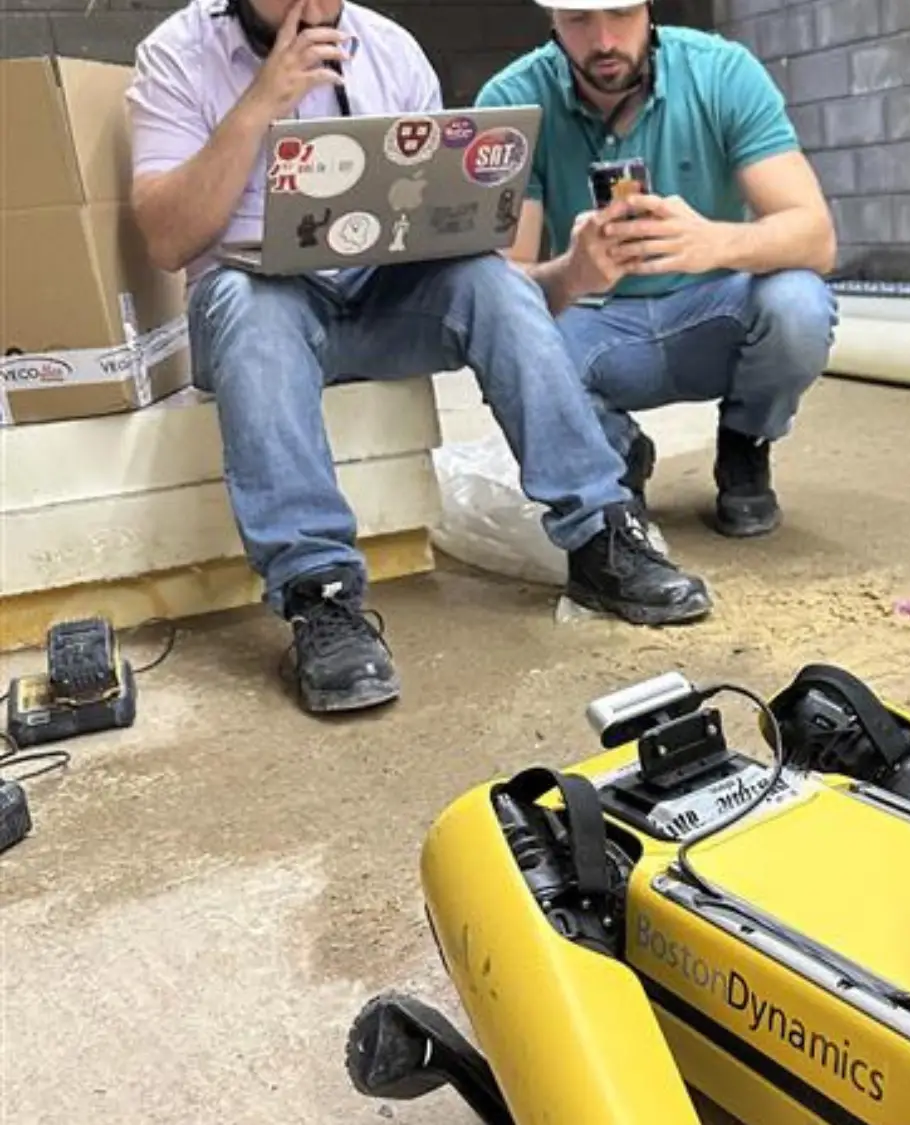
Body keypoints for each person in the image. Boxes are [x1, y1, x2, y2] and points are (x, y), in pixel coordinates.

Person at [124, 0, 714, 716]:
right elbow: (166, 239)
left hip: (380, 293)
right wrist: (260, 102)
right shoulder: (175, 53)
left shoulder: (391, 49)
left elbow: (440, 218)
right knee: (254, 306)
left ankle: (599, 535)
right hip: (259, 308)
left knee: (492, 282)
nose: (312, 6)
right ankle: (320, 594)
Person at [475, 0, 839, 538]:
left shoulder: (721, 72)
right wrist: (573, 272)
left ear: (649, 9)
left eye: (620, 14)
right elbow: (493, 289)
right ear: (551, 19)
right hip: (596, 323)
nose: (602, 40)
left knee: (798, 302)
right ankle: (618, 448)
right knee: (505, 343)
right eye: (578, 20)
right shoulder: (512, 101)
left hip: (711, 309)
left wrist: (714, 242)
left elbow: (817, 237)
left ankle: (746, 441)